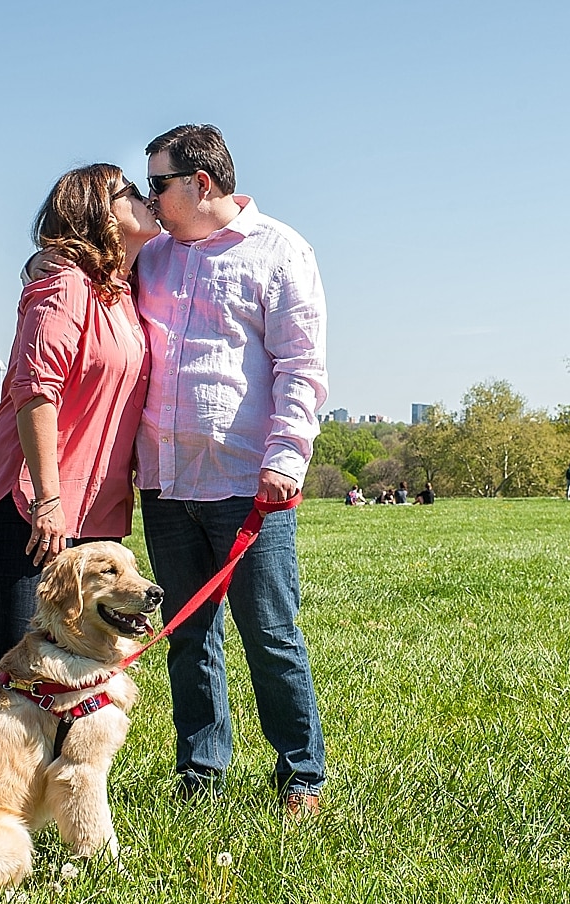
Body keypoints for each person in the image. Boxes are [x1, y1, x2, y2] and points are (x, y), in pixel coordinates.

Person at [135, 125, 327, 818]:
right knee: (188, 633)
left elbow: (300, 366)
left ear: (201, 184)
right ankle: (200, 770)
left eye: (157, 183)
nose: (148, 196)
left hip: (249, 483)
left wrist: (285, 458)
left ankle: (301, 775)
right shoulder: (150, 256)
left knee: (270, 631)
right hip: (165, 481)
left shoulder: (279, 250)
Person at [0, 164, 160, 687]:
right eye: (132, 192)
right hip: (33, 501)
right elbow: (36, 390)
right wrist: (48, 501)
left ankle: (69, 770)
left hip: (97, 505)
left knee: (86, 665)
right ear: (101, 213)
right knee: (24, 660)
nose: (148, 199)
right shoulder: (66, 284)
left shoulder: (125, 290)